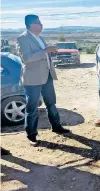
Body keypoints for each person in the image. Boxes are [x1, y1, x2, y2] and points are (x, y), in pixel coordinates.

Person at [16, 14, 70, 146]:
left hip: (47, 76)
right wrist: (46, 50)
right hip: (33, 79)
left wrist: (50, 52)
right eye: (38, 22)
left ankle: (56, 126)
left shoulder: (40, 38)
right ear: (30, 24)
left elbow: (43, 55)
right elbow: (26, 58)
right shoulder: (22, 39)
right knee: (32, 108)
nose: (41, 24)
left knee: (51, 104)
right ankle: (31, 135)